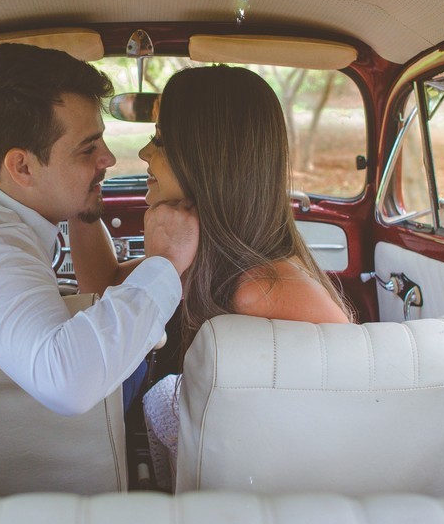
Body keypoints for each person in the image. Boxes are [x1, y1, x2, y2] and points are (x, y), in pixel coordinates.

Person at [0, 43, 198, 416]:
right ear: (23, 168)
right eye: (87, 149)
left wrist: (81, 192)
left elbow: (99, 283)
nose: (109, 158)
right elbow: (69, 384)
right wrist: (166, 262)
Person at [69, 65, 350, 488]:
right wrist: (83, 207)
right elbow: (106, 284)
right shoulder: (215, 259)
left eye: (160, 140)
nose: (145, 153)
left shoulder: (262, 290)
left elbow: (349, 403)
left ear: (209, 159)